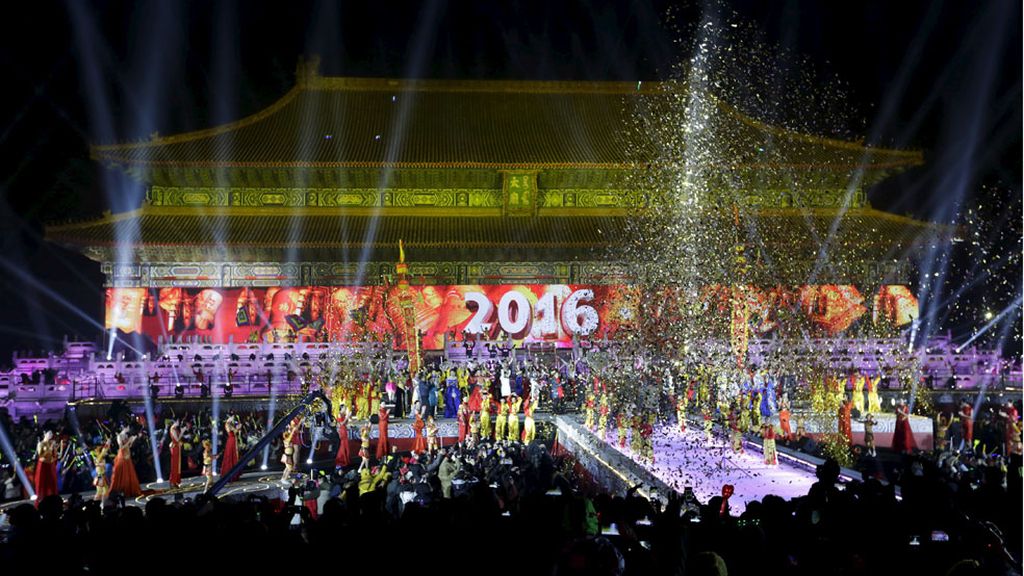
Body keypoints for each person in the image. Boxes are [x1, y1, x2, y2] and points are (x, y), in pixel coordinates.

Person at [109, 426, 141, 498]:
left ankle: (129, 490)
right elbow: (121, 448)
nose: (129, 428)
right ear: (124, 427)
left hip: (127, 456)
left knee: (128, 474)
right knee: (124, 474)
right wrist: (129, 441)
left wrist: (132, 441)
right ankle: (122, 491)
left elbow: (128, 446)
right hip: (122, 456)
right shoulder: (119, 436)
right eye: (128, 427)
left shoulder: (126, 435)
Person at [33, 431, 59, 504]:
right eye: (49, 433)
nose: (51, 435)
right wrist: (50, 449)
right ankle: (41, 500)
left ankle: (53, 500)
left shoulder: (52, 443)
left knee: (52, 482)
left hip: (50, 465)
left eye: (51, 434)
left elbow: (55, 455)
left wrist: (55, 449)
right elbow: (40, 455)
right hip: (43, 465)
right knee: (42, 483)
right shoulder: (40, 444)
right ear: (45, 434)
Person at [220, 415, 240, 482]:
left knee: (233, 456)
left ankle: (234, 474)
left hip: (232, 440)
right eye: (231, 418)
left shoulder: (229, 425)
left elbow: (235, 431)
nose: (232, 419)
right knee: (230, 455)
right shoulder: (227, 425)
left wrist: (237, 428)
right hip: (231, 441)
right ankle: (230, 475)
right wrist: (237, 428)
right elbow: (233, 431)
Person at [168, 421, 182, 488]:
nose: (178, 423)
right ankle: (172, 482)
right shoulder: (173, 429)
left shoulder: (175, 428)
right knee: (174, 465)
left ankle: (175, 481)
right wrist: (182, 432)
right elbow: (177, 439)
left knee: (177, 466)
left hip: (177, 447)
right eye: (177, 421)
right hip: (175, 448)